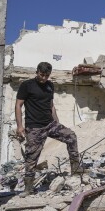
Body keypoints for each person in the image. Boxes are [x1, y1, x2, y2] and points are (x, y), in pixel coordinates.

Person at [15, 62, 81, 197]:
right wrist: (20, 126)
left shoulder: (50, 86)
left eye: (46, 75)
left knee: (71, 136)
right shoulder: (27, 85)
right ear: (37, 72)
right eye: (41, 75)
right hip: (34, 127)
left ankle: (76, 168)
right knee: (31, 158)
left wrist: (57, 122)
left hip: (50, 124)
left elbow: (51, 105)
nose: (44, 78)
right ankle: (28, 188)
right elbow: (18, 105)